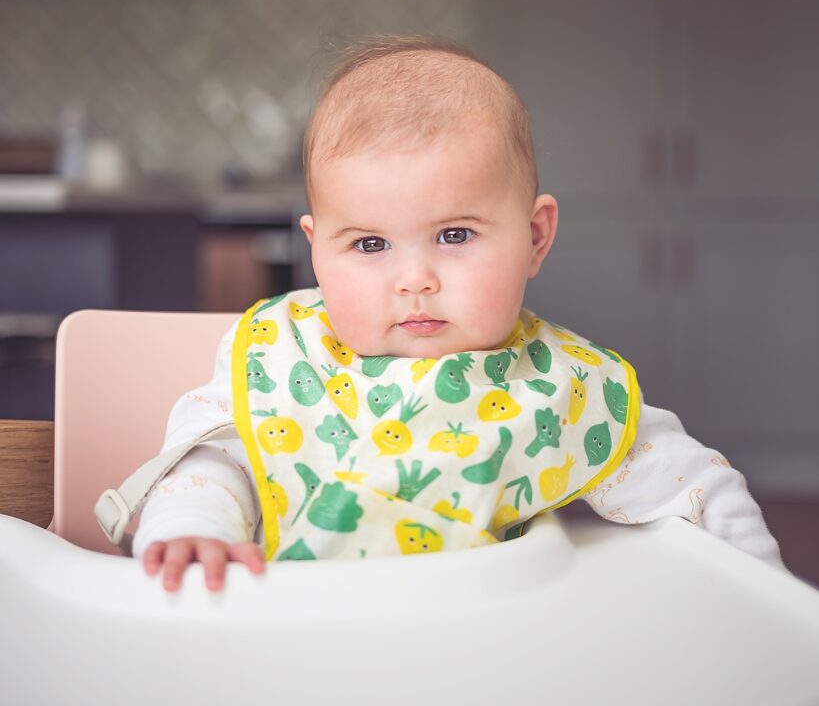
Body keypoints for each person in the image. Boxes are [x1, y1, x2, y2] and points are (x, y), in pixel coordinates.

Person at [134, 35, 782, 594]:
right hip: (287, 632)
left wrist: (772, 605)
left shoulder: (562, 388)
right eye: (368, 244)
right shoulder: (282, 355)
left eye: (453, 235)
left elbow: (699, 490)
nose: (414, 279)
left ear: (533, 237)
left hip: (479, 653)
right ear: (315, 250)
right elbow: (210, 459)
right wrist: (192, 530)